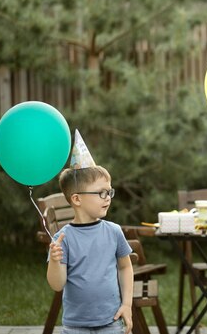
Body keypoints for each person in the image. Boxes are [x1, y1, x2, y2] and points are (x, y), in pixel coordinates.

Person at [47, 130, 133, 334]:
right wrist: (54, 260)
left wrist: (127, 304)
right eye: (101, 192)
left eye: (109, 191)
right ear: (77, 199)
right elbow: (57, 285)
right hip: (75, 327)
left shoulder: (114, 232)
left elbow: (125, 268)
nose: (108, 197)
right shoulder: (63, 239)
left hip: (111, 322)